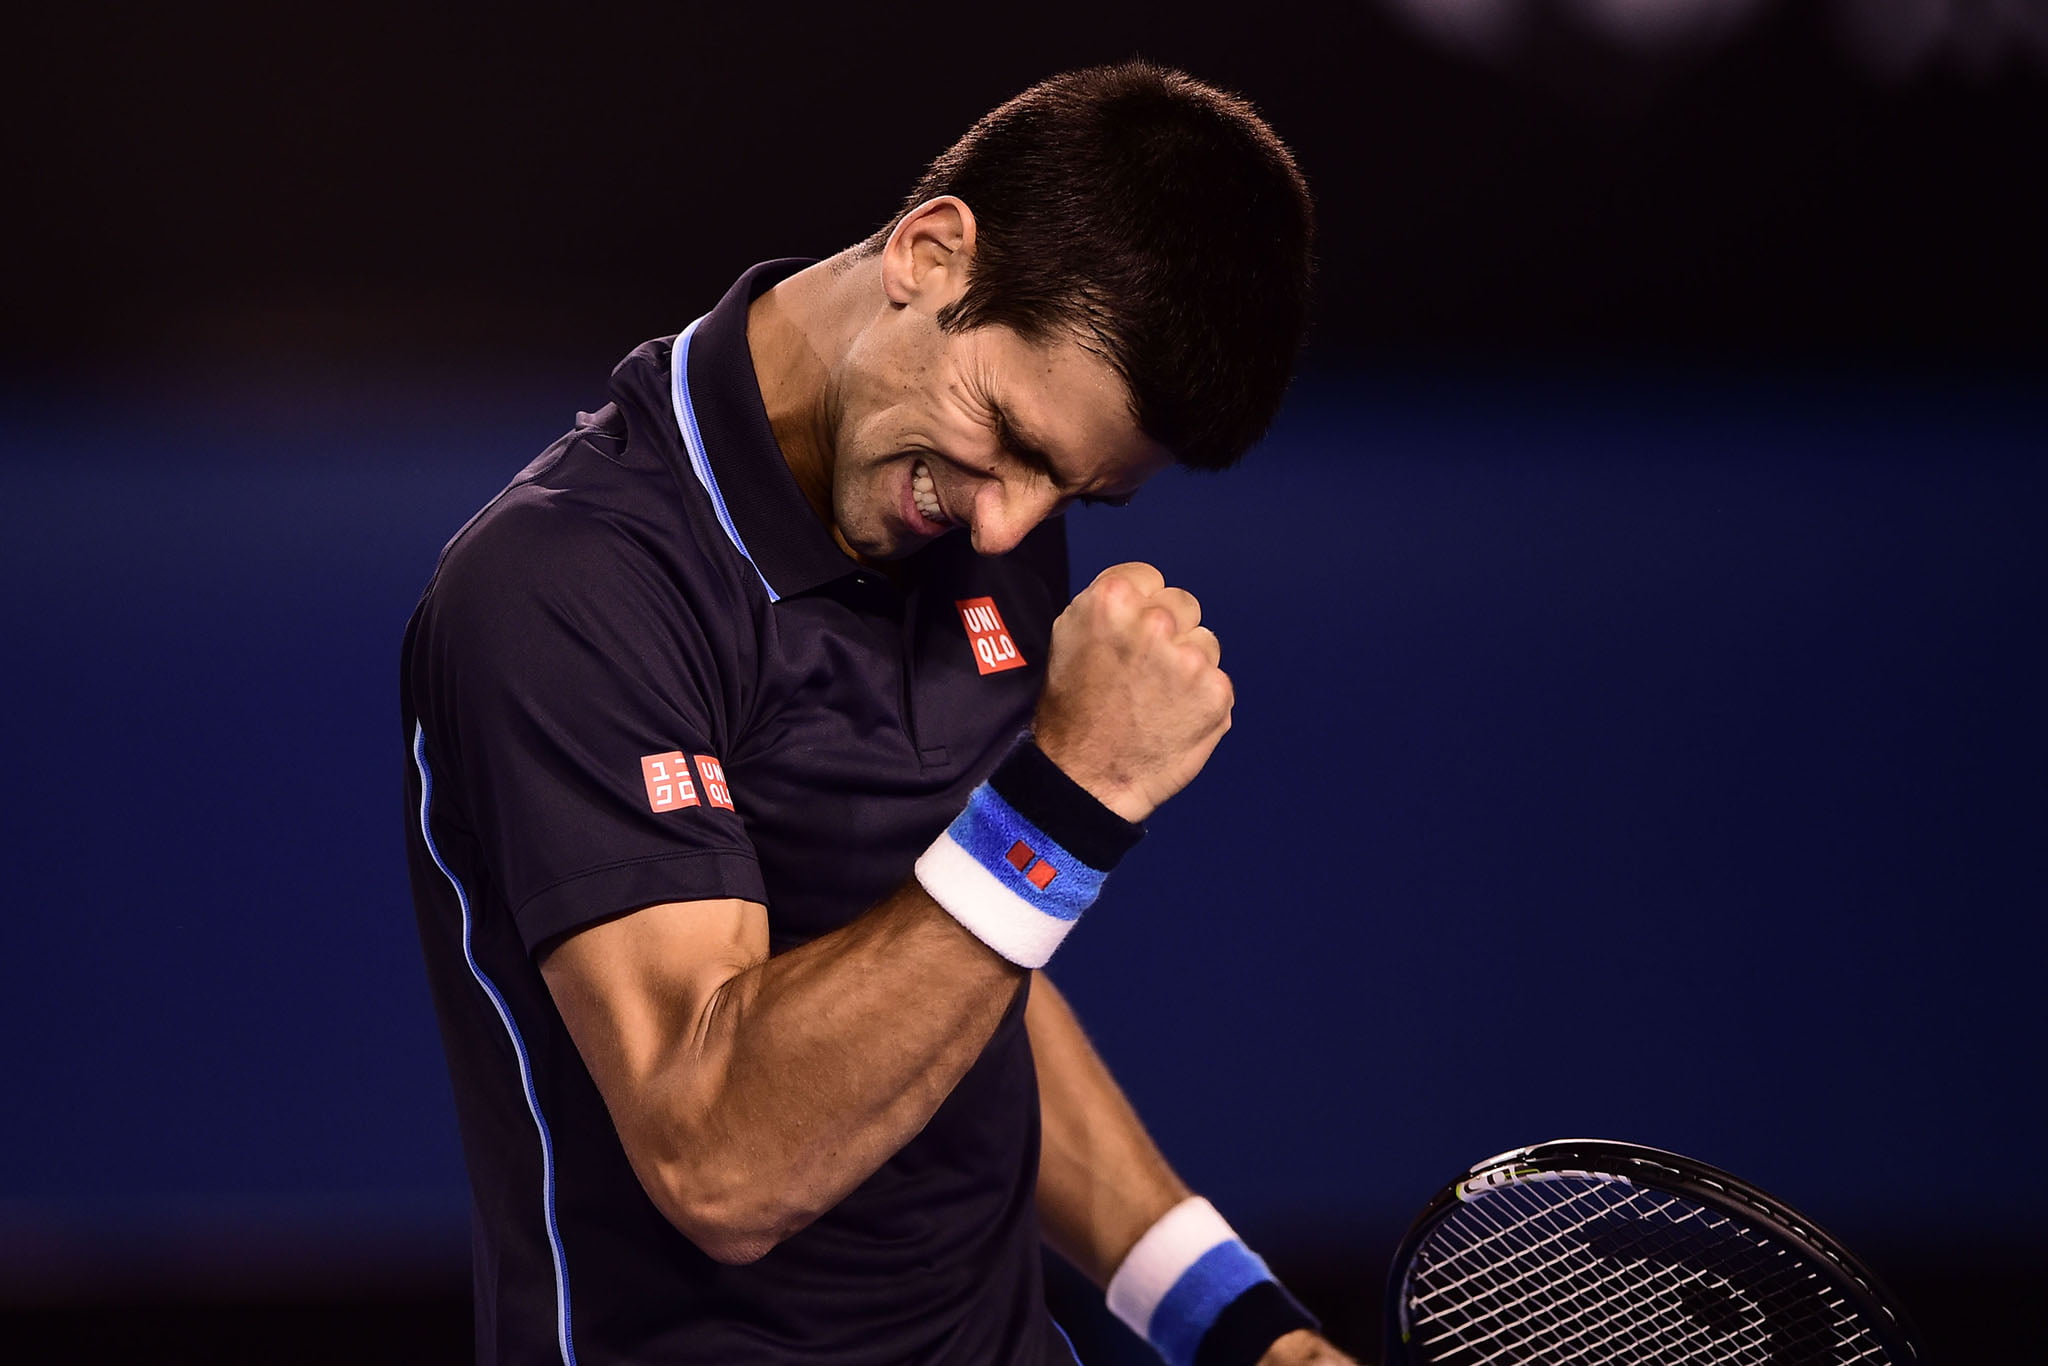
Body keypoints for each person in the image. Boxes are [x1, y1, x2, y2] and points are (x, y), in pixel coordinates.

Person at [401, 61, 1348, 1366]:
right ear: (930, 251)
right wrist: (1064, 802)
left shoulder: (980, 504)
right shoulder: (567, 586)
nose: (1007, 522)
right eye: (1005, 433)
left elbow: (952, 972)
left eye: (1073, 492)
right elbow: (715, 1153)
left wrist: (1231, 1320)